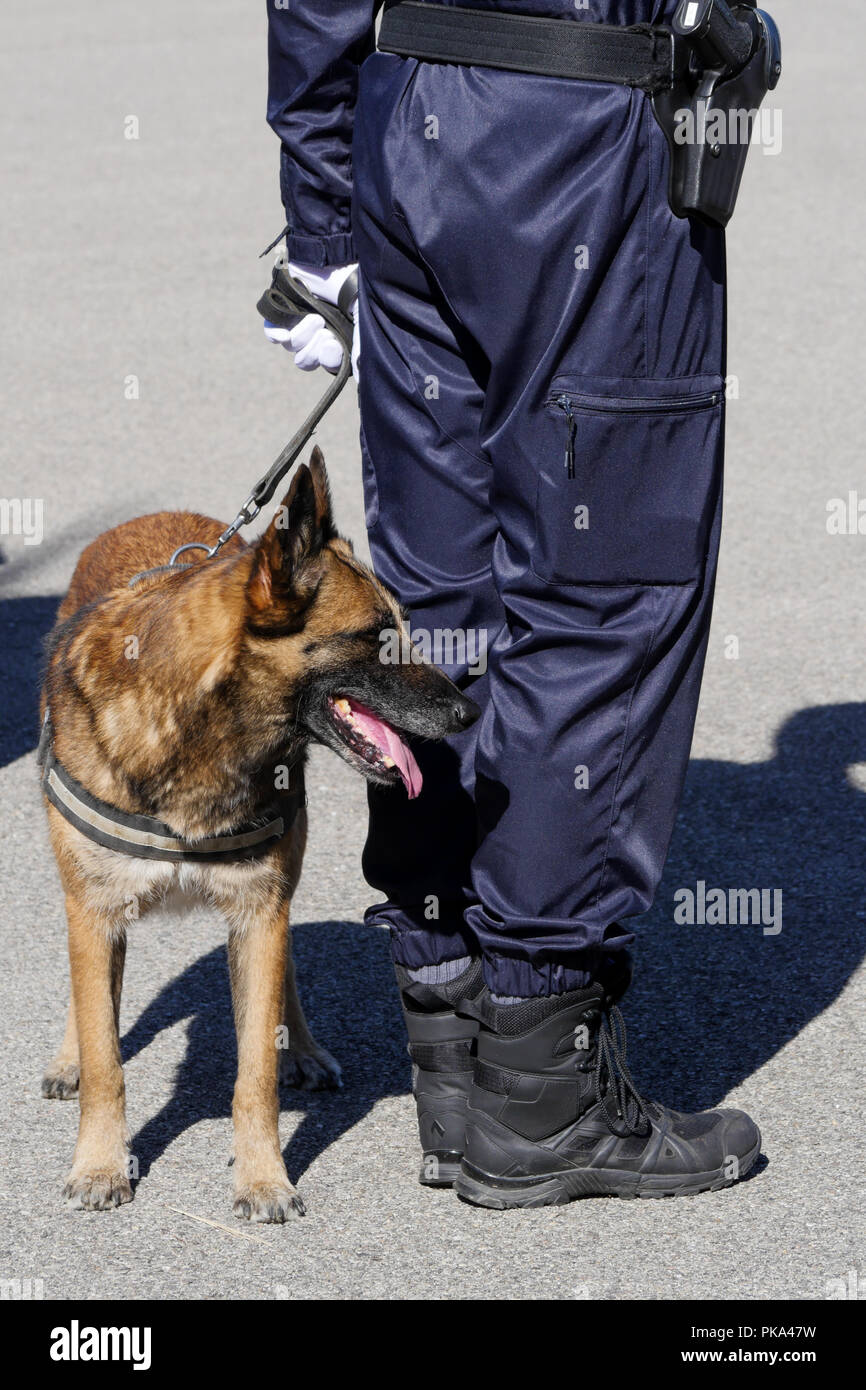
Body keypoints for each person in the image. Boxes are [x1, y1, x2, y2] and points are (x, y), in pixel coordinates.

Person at [265, 0, 762, 1208]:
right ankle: (540, 1087)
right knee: (601, 603)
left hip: (411, 124)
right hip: (580, 130)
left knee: (442, 604)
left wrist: (320, 215)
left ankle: (451, 1048)